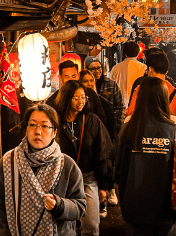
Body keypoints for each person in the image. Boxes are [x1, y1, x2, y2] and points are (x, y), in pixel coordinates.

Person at [116, 77, 176, 236]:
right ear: (163, 98)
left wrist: (124, 204)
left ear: (139, 99)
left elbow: (119, 171)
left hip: (135, 210)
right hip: (169, 211)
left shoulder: (127, 130)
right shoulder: (175, 130)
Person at [0, 104, 86, 236]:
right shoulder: (8, 161)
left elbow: (80, 207)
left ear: (54, 132)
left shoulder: (66, 165)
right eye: (32, 125)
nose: (37, 131)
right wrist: (1, 231)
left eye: (45, 126)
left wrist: (59, 205)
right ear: (26, 129)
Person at [55, 80, 114, 236]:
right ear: (66, 98)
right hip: (62, 179)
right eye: (76, 98)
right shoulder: (55, 121)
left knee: (92, 225)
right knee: (64, 227)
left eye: (83, 97)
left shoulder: (91, 120)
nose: (81, 101)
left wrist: (103, 185)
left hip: (87, 178)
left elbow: (102, 151)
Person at [80, 68, 118, 215]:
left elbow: (110, 122)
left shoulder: (103, 102)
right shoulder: (77, 105)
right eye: (85, 81)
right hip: (87, 147)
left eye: (91, 80)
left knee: (104, 167)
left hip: (104, 141)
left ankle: (104, 199)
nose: (89, 83)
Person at [48, 60, 115, 142]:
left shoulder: (90, 94)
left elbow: (102, 120)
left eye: (73, 76)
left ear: (78, 76)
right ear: (60, 78)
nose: (71, 80)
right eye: (67, 77)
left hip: (90, 145)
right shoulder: (53, 100)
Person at [125, 50, 176, 131]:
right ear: (166, 71)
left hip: (144, 139)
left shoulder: (140, 90)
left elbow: (130, 114)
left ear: (150, 69)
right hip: (168, 141)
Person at [87, 58, 125, 139]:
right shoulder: (86, 86)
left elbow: (120, 107)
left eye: (99, 67)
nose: (97, 71)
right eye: (93, 69)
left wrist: (117, 126)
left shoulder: (111, 84)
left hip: (109, 127)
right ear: (87, 69)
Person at [109, 41, 147, 111]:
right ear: (138, 53)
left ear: (125, 53)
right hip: (139, 105)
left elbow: (111, 87)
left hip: (120, 105)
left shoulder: (116, 68)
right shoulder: (143, 68)